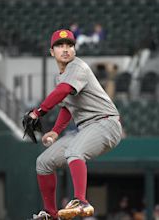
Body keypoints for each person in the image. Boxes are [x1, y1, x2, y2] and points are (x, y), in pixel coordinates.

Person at [27, 29, 123, 220]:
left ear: (75, 50)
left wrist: (39, 112)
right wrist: (55, 131)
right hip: (86, 128)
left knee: (74, 152)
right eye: (60, 46)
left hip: (106, 123)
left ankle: (81, 201)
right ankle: (50, 214)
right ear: (51, 51)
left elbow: (63, 91)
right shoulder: (61, 77)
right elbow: (67, 108)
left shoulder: (77, 67)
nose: (65, 49)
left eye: (69, 45)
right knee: (43, 163)